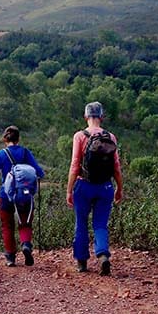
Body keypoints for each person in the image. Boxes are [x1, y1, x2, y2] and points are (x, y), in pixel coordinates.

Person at [66, 101, 123, 276]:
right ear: (101, 117)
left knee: (81, 223)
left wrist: (69, 190)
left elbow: (75, 165)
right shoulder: (110, 137)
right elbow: (116, 166)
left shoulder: (80, 136)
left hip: (84, 185)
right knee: (100, 224)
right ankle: (103, 255)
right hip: (105, 186)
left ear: (86, 117)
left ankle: (82, 262)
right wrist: (119, 188)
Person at [0, 125, 45, 267]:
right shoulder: (25, 153)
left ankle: (10, 257)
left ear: (5, 139)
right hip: (25, 195)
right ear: (18, 139)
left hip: (7, 195)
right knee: (25, 223)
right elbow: (39, 172)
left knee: (7, 226)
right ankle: (26, 245)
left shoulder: (2, 154)